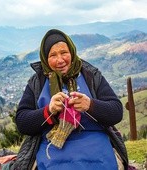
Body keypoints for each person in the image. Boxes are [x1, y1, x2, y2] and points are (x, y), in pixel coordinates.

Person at [15, 29, 124, 170]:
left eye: (64, 53)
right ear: (45, 59)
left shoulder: (91, 75)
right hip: (53, 147)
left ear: (71, 53)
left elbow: (116, 111)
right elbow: (22, 122)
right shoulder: (38, 82)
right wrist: (49, 110)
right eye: (53, 55)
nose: (60, 60)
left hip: (94, 144)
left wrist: (90, 105)